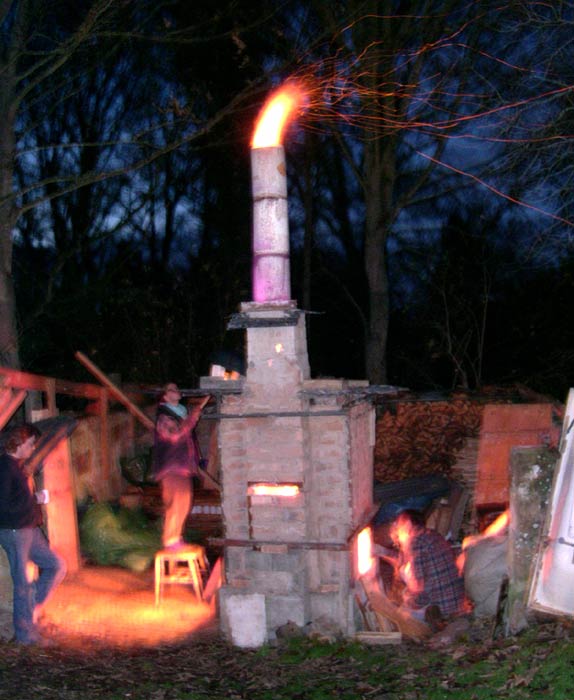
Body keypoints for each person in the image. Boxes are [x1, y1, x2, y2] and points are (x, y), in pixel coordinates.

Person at [0, 423, 67, 645]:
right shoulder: (4, 468)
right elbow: (4, 503)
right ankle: (26, 636)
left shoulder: (17, 466)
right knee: (22, 584)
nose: (32, 447)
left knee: (57, 565)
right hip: (15, 531)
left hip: (30, 529)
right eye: (30, 444)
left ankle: (30, 609)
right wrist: (35, 499)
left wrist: (34, 499)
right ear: (18, 443)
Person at [151, 383, 209, 550]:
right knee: (176, 503)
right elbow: (176, 436)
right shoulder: (164, 416)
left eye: (177, 388)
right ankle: (170, 540)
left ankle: (175, 538)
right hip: (171, 467)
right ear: (165, 396)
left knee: (183, 502)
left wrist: (191, 416)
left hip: (182, 467)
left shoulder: (180, 414)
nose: (176, 390)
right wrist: (193, 417)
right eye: (171, 389)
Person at [389, 509, 465, 621]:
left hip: (441, 610)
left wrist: (408, 603)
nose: (397, 533)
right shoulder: (433, 535)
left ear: (408, 524)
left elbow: (421, 593)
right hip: (456, 602)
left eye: (399, 526)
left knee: (398, 616)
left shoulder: (415, 542)